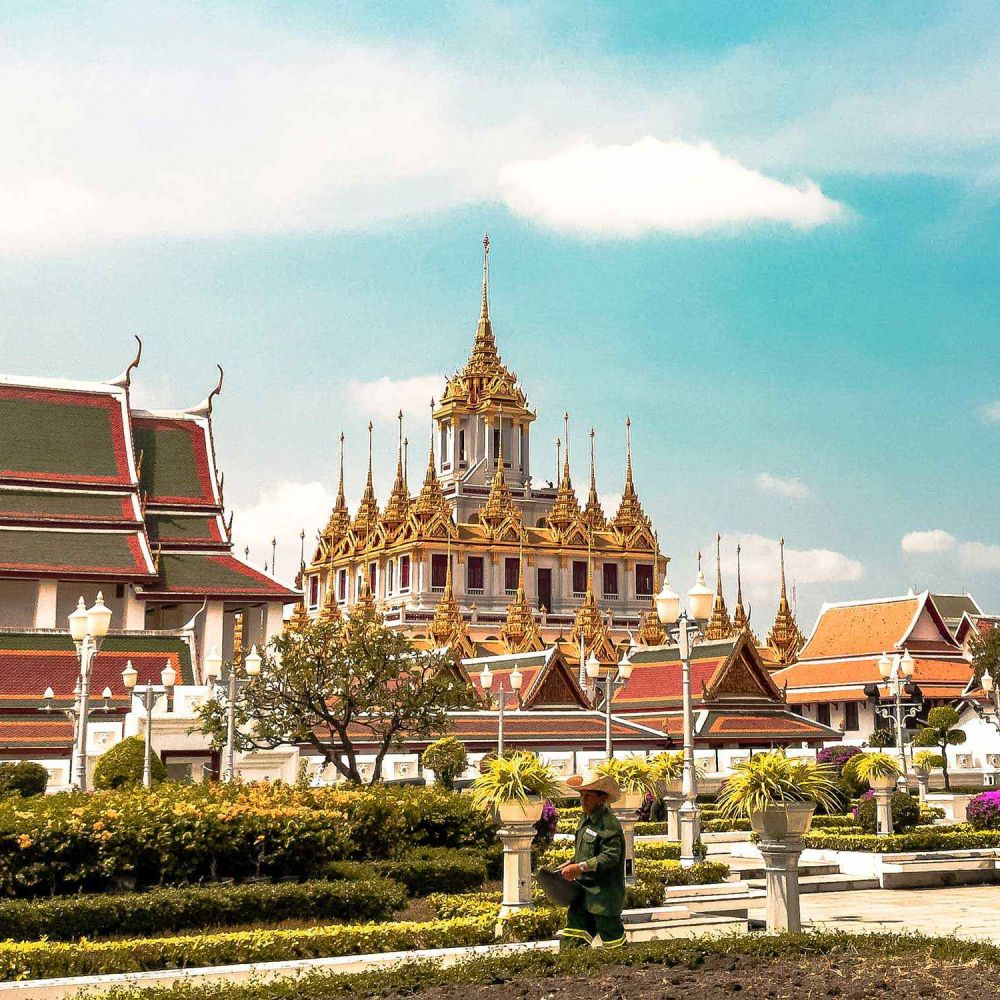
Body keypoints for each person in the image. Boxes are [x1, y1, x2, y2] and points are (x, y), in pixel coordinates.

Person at [556, 772, 626, 950]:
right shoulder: (585, 820)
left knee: (614, 943)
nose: (583, 800)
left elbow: (610, 857)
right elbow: (585, 852)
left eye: (589, 795)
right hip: (583, 892)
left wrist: (579, 867)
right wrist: (571, 862)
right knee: (572, 935)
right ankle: (569, 965)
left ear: (602, 799)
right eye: (581, 795)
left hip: (603, 896)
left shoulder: (608, 824)